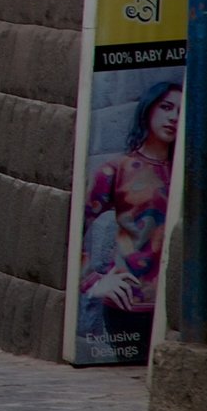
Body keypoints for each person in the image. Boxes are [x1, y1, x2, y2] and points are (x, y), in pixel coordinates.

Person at [78, 80, 183, 361]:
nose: (174, 117)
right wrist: (92, 281)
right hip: (129, 309)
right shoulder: (117, 170)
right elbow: (70, 226)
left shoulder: (188, 174)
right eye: (166, 107)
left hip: (177, 313)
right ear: (149, 109)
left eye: (181, 112)